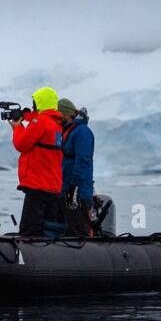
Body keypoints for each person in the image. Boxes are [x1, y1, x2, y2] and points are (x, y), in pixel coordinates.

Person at [9, 86, 64, 236]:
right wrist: (26, 116)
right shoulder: (56, 124)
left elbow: (21, 144)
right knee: (48, 230)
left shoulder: (40, 121)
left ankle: (28, 258)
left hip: (37, 185)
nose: (33, 106)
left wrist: (17, 127)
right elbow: (38, 122)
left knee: (30, 230)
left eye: (34, 103)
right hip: (53, 186)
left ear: (39, 103)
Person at [58, 98, 95, 237]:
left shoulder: (82, 132)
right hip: (67, 189)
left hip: (78, 192)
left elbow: (83, 160)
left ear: (66, 114)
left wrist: (74, 186)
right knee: (70, 230)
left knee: (80, 230)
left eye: (58, 115)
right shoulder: (69, 131)